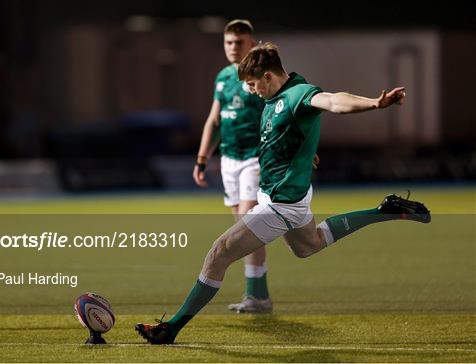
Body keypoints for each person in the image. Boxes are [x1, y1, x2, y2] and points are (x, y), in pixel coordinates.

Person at [136, 42, 430, 344]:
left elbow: (333, 101)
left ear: (267, 76)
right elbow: (287, 137)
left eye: (252, 83)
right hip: (291, 197)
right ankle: (386, 210)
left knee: (218, 253)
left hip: (281, 203)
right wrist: (305, 152)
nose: (250, 90)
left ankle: (170, 329)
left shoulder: (297, 94)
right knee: (309, 245)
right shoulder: (274, 98)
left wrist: (374, 103)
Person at [192, 19, 272, 313]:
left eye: (239, 42)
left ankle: (258, 295)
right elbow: (214, 120)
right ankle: (258, 295)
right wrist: (202, 157)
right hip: (229, 159)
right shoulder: (224, 77)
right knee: (242, 226)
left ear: (251, 43)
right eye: (229, 42)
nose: (233, 47)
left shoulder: (262, 76)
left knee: (248, 224)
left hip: (255, 157)